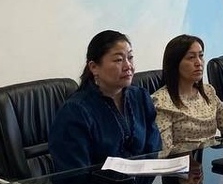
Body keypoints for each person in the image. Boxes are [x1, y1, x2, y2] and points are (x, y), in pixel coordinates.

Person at [48, 30, 162, 176]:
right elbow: (74, 175)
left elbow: (153, 149)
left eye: (130, 58)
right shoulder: (75, 111)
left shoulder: (141, 97)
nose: (128, 66)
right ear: (94, 67)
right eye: (118, 60)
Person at [151, 35, 223, 149]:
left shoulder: (208, 91)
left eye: (201, 56)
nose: (199, 63)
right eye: (191, 57)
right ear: (175, 63)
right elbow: (164, 150)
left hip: (213, 156)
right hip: (187, 159)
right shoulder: (161, 101)